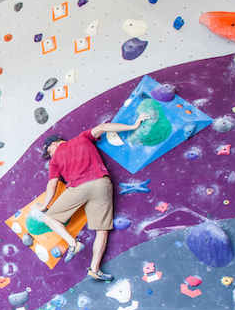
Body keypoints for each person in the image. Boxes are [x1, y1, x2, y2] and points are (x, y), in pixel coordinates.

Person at [39, 111, 151, 282]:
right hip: (101, 183)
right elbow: (105, 127)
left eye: (49, 152)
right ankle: (94, 269)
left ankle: (73, 244)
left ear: (54, 144)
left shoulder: (55, 160)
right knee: (102, 231)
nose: (50, 156)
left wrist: (44, 206)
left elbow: (52, 184)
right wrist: (134, 125)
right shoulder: (83, 138)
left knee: (49, 219)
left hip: (78, 188)